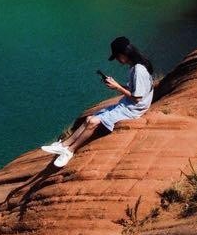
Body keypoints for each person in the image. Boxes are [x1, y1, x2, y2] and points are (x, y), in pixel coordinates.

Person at [40, 36, 154, 168]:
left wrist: (117, 87)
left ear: (124, 54)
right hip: (127, 104)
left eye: (117, 57)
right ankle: (63, 145)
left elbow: (137, 97)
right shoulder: (135, 67)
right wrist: (117, 84)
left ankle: (69, 151)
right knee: (89, 118)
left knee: (93, 122)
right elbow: (135, 89)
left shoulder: (138, 69)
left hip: (133, 108)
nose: (117, 60)